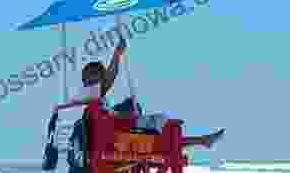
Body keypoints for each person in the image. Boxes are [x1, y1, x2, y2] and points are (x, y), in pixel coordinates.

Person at [53, 35, 225, 148]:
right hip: (117, 139)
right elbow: (110, 79)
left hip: (116, 135)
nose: (102, 79)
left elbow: (108, 80)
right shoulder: (89, 92)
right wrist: (117, 55)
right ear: (91, 76)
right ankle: (200, 140)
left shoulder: (88, 94)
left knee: (162, 130)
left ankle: (200, 140)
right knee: (162, 130)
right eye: (100, 75)